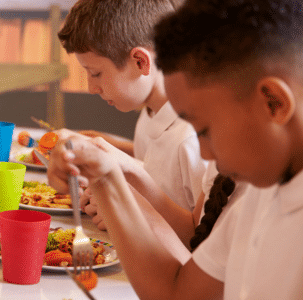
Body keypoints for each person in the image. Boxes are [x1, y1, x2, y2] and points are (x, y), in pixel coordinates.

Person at [48, 0, 303, 297]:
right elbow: (178, 291)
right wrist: (105, 176)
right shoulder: (259, 193)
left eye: (205, 131)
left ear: (274, 103)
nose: (204, 153)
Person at [55, 0, 208, 229]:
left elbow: (201, 234)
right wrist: (101, 144)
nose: (91, 88)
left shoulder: (192, 138)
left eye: (95, 73)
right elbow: (154, 161)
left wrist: (125, 211)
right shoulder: (152, 109)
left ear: (140, 62)